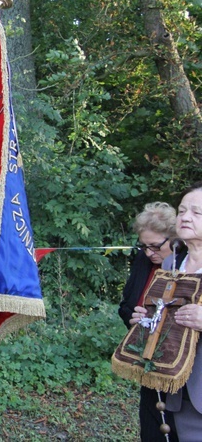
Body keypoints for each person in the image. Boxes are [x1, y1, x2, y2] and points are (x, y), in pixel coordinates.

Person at [131, 182, 202, 441]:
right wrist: (147, 319)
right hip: (175, 386)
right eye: (182, 211)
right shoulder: (172, 262)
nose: (185, 217)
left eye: (196, 213)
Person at [118, 202, 179, 442]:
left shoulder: (186, 267)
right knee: (152, 429)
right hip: (147, 362)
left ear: (174, 240)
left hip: (177, 367)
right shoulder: (143, 262)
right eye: (144, 246)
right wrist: (134, 319)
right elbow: (126, 305)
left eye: (155, 246)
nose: (149, 253)